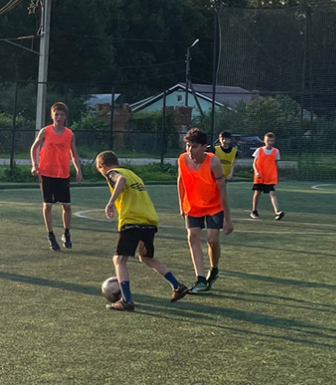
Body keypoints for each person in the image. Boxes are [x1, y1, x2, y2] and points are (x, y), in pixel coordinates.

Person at [96, 150, 189, 311]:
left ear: (101, 166)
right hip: (149, 220)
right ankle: (177, 285)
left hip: (132, 220)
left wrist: (110, 203)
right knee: (146, 258)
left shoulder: (112, 173)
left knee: (119, 260)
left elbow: (121, 180)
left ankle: (126, 301)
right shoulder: (133, 174)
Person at [178, 127, 233, 294]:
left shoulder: (213, 162)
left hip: (214, 206)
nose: (190, 149)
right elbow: (180, 181)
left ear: (204, 147)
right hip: (193, 206)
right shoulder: (182, 159)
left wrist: (227, 219)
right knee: (192, 237)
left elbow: (222, 191)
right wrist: (181, 205)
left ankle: (214, 269)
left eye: (194, 146)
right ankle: (201, 279)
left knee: (212, 240)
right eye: (188, 145)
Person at [30, 102, 83, 251]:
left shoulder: (69, 134)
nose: (59, 117)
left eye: (61, 114)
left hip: (63, 173)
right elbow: (34, 148)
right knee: (47, 205)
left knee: (66, 206)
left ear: (65, 117)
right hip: (46, 172)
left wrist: (78, 170)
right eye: (56, 114)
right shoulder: (45, 131)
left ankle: (66, 233)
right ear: (52, 116)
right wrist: (34, 165)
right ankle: (51, 236)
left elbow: (74, 154)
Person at [250, 132, 285, 220]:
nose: (270, 142)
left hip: (270, 177)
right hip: (260, 177)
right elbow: (254, 163)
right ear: (264, 141)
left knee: (272, 193)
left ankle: (277, 212)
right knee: (257, 193)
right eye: (268, 140)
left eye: (272, 141)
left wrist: (277, 175)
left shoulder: (276, 151)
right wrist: (257, 172)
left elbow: (275, 164)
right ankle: (254, 211)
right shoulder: (259, 150)